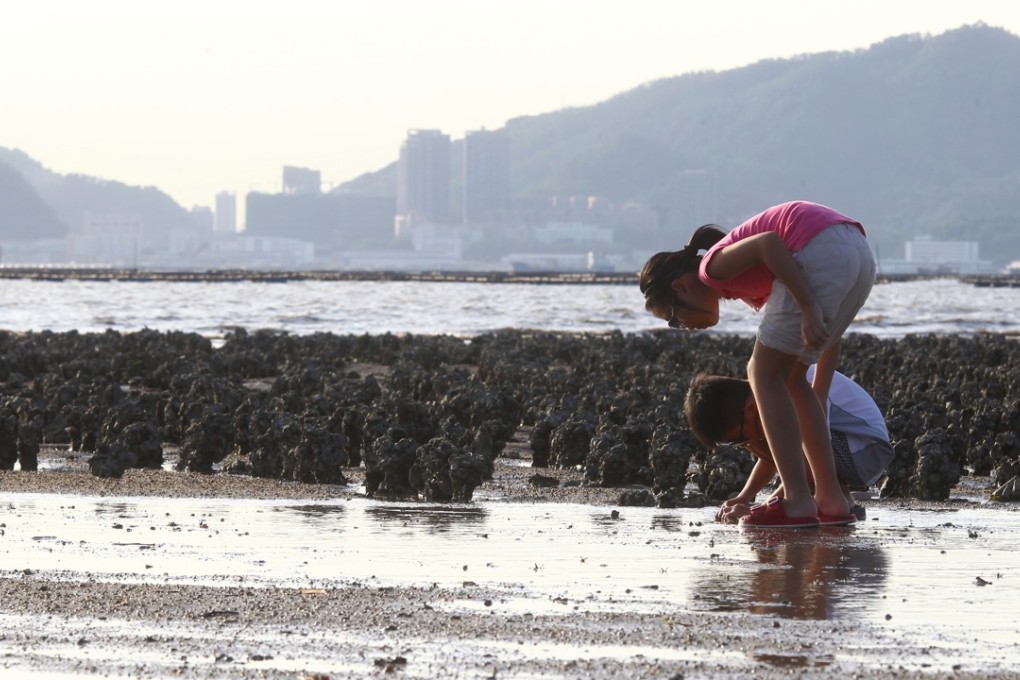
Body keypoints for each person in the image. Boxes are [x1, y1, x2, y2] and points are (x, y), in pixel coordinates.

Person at [638, 201, 876, 528]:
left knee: (760, 372)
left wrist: (807, 304)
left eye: (674, 318)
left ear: (682, 287)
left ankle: (797, 500)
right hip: (860, 253)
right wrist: (817, 396)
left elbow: (768, 243)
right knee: (791, 380)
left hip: (821, 248)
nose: (685, 328)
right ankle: (830, 499)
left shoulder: (711, 267)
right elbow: (828, 339)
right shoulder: (749, 282)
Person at [684, 367, 894, 524]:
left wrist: (763, 509)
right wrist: (743, 497)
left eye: (738, 439)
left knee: (792, 443)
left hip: (867, 450)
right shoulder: (769, 393)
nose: (743, 445)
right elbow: (774, 458)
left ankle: (834, 497)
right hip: (854, 448)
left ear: (750, 409)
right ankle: (840, 495)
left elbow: (803, 462)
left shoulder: (786, 390)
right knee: (774, 442)